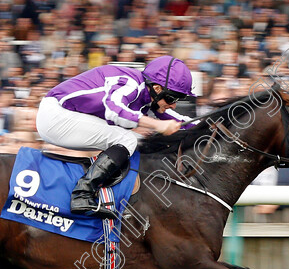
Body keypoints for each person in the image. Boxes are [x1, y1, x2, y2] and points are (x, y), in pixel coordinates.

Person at [36, 55, 196, 219]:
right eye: (172, 98)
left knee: (139, 141)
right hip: (55, 116)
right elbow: (113, 110)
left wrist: (210, 125)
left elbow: (178, 119)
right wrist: (156, 125)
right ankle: (82, 194)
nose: (174, 104)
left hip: (64, 117)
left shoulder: (149, 96)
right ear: (156, 88)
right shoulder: (130, 83)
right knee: (128, 139)